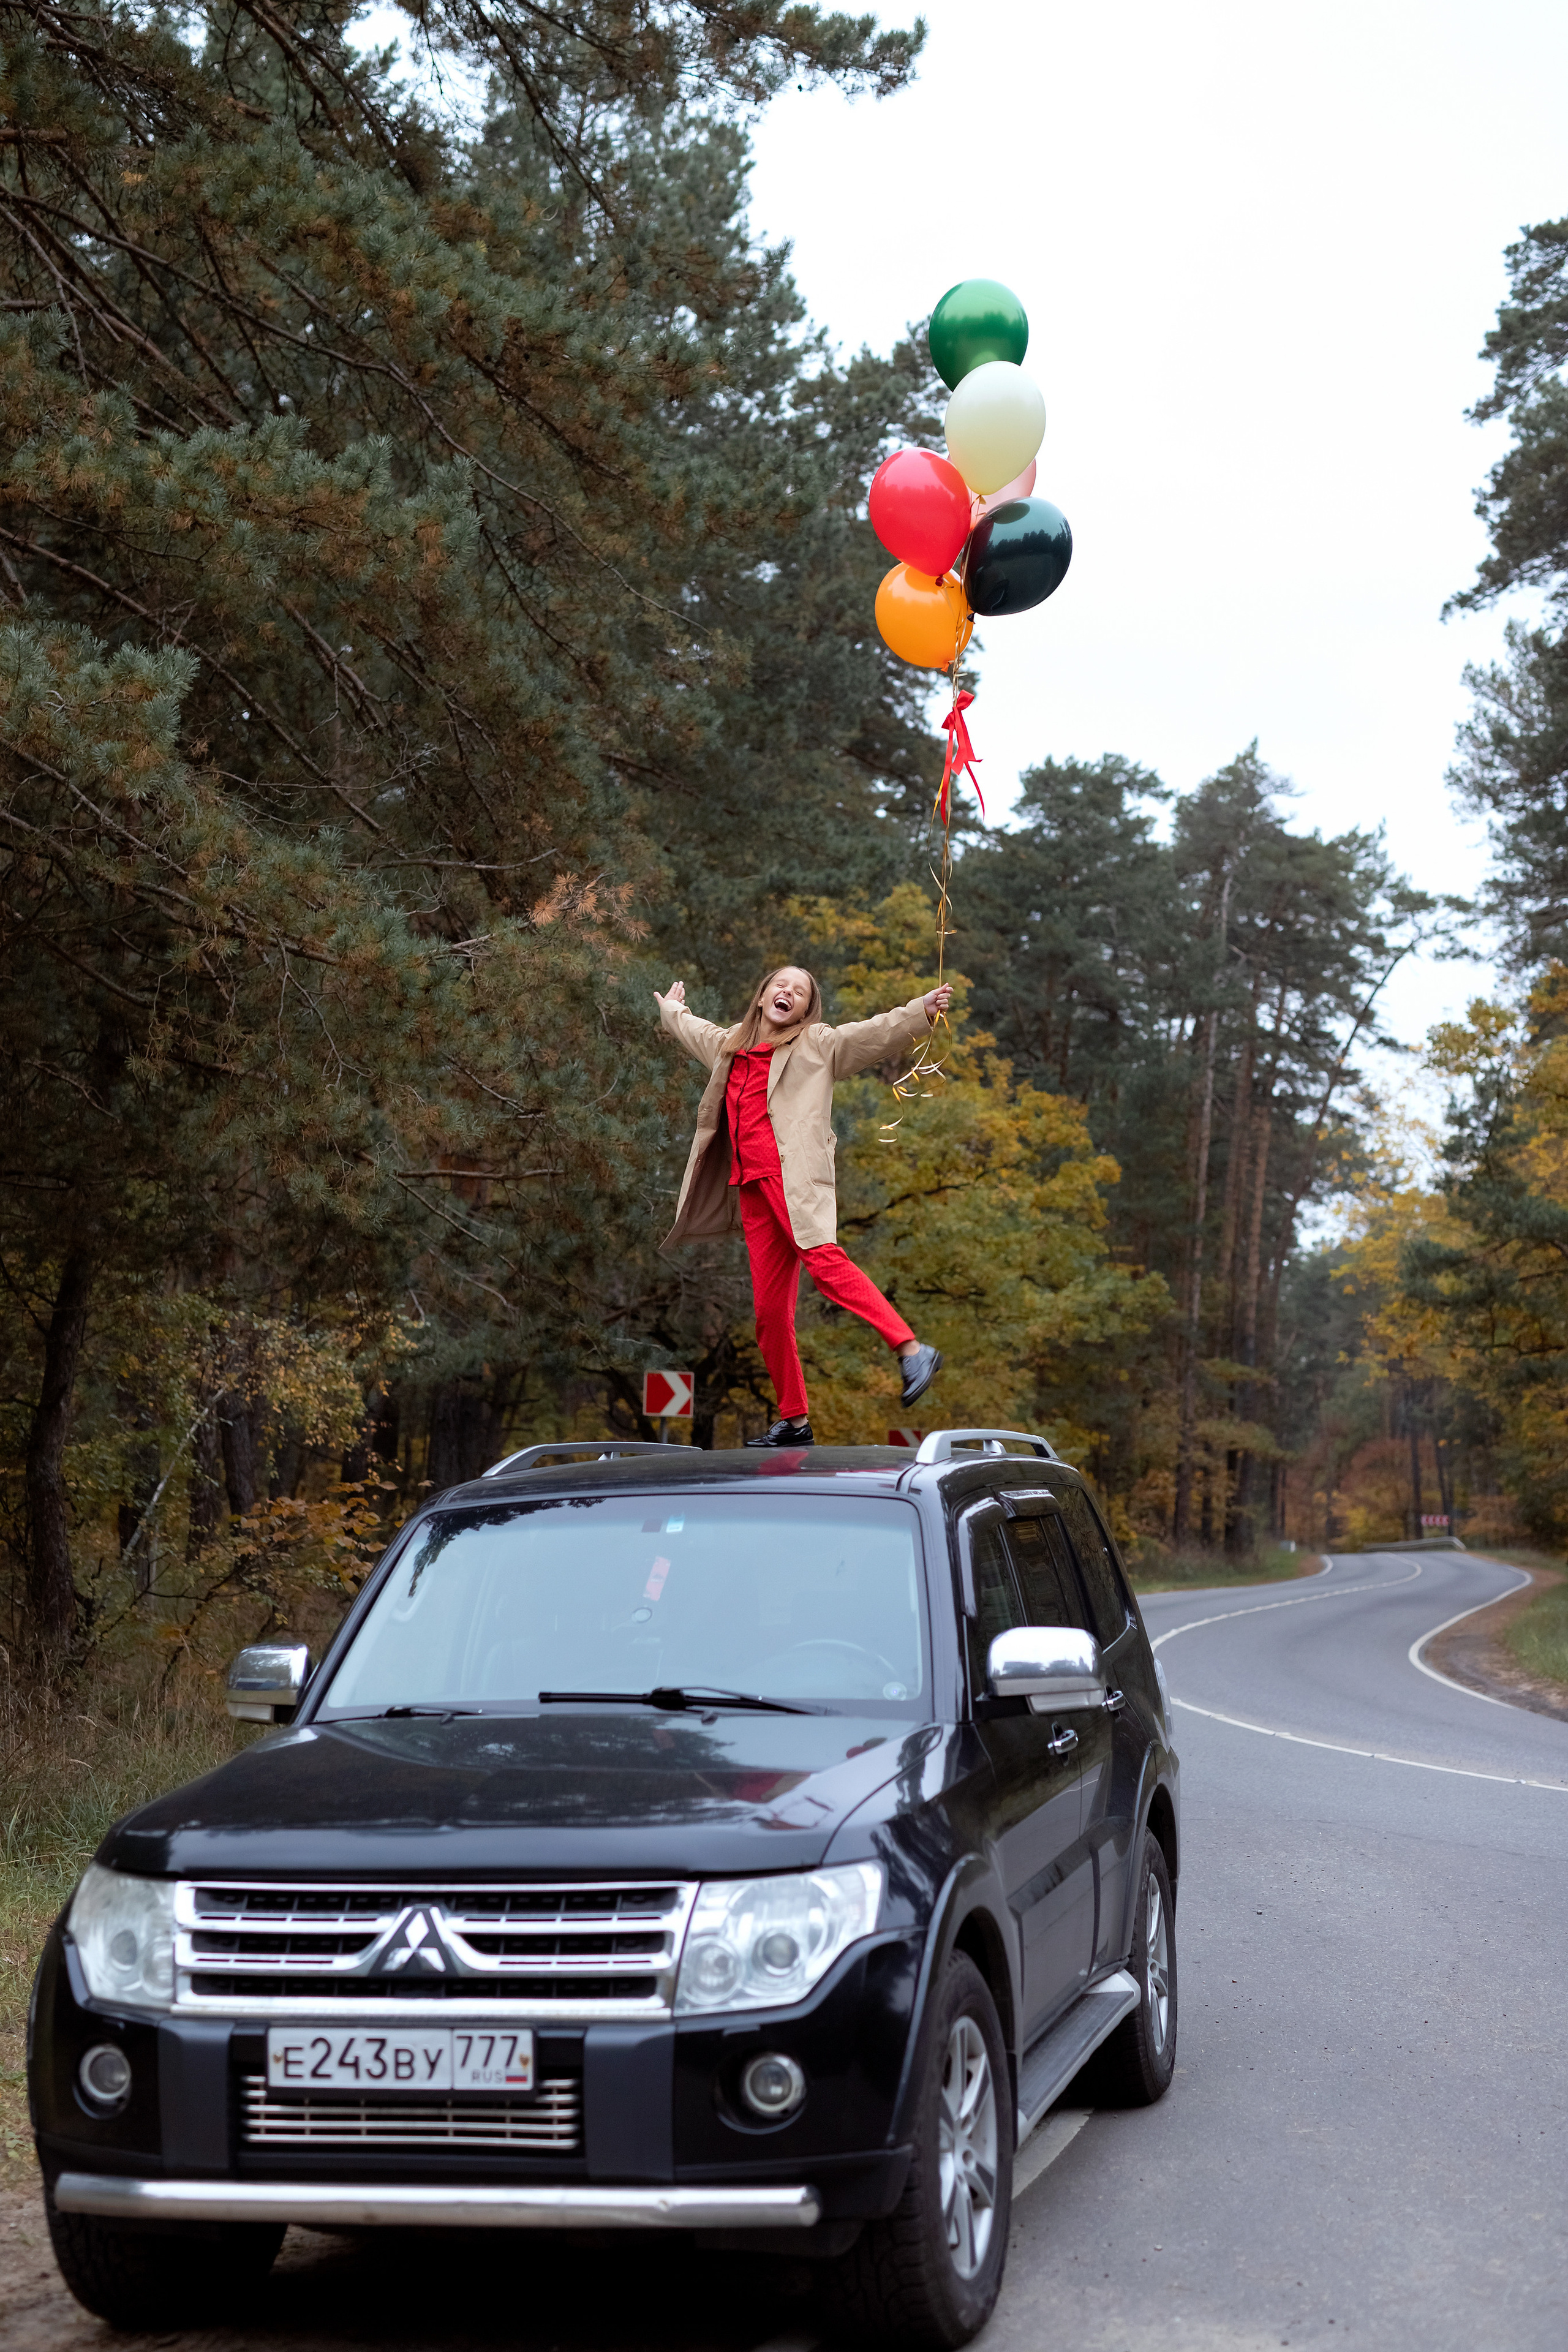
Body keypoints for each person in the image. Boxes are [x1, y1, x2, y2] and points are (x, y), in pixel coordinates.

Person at [654, 963, 951, 1446]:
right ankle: (795, 1422)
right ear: (763, 995)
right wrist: (671, 1010)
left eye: (799, 992)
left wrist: (921, 1011)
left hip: (794, 1182)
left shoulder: (818, 1045)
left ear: (805, 1010)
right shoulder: (731, 1045)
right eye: (780, 985)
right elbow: (694, 1030)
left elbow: (873, 1034)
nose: (787, 993)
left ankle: (912, 1348)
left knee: (825, 1265)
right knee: (770, 1315)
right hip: (752, 1188)